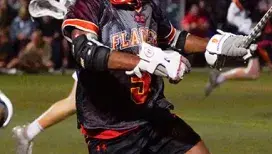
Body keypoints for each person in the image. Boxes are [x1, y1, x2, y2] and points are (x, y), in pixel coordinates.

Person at [13, 0, 255, 153]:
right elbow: (85, 51)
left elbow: (175, 38)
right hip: (111, 130)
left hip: (152, 116)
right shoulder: (91, 5)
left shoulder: (147, 5)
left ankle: (28, 132)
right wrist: (148, 61)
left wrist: (216, 44)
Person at [205, 0, 272, 122]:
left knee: (252, 72)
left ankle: (219, 78)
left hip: (266, 36)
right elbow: (231, 14)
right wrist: (246, 26)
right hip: (260, 39)